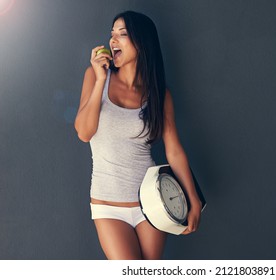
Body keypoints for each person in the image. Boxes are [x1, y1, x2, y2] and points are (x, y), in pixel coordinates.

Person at [74, 10, 202, 260]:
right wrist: (100, 80)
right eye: (112, 34)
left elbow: (173, 150)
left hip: (152, 202)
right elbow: (84, 133)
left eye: (122, 34)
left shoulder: (159, 94)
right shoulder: (95, 77)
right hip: (108, 204)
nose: (113, 40)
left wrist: (194, 199)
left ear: (141, 44)